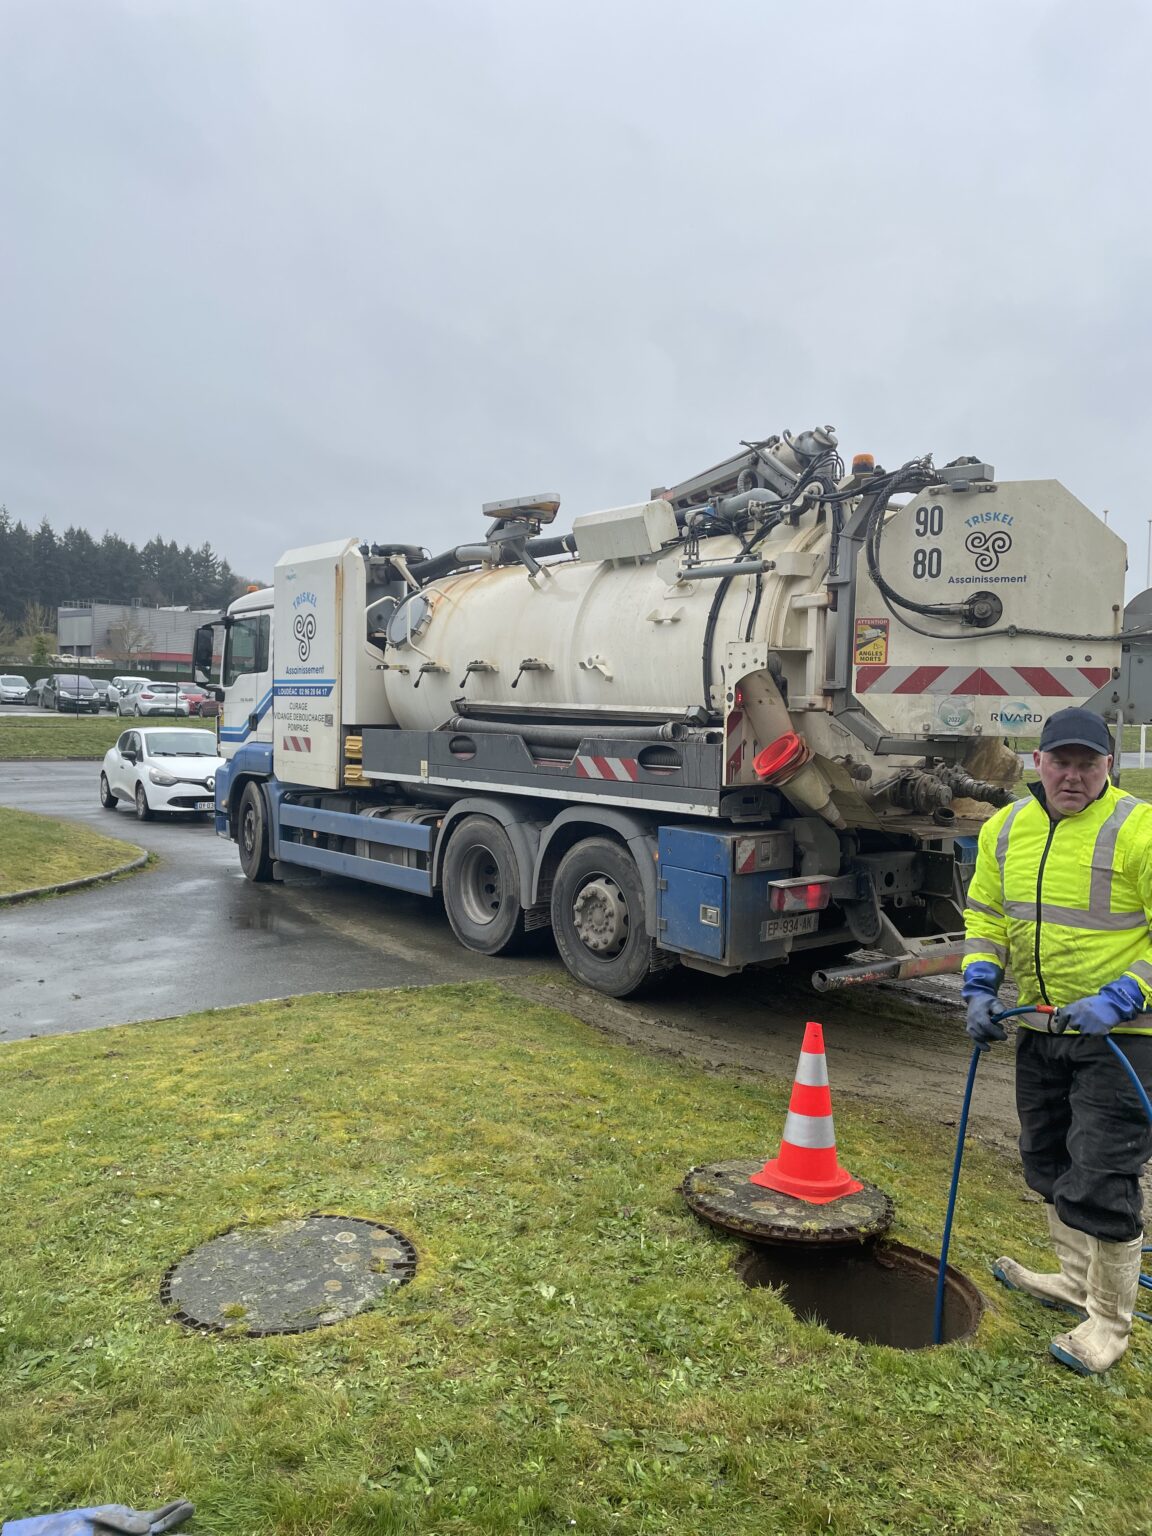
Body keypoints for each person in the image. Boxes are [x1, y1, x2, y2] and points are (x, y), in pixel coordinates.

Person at [962, 706, 1152, 1374]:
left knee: (1103, 1176)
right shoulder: (1007, 827)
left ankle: (1107, 1325)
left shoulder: (1138, 828)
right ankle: (1075, 1282)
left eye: (1087, 763)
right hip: (1041, 1029)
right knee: (1048, 1161)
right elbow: (985, 912)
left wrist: (1124, 995)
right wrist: (980, 986)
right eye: (1061, 762)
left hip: (1121, 1038)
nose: (1074, 776)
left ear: (1109, 766)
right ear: (1036, 763)